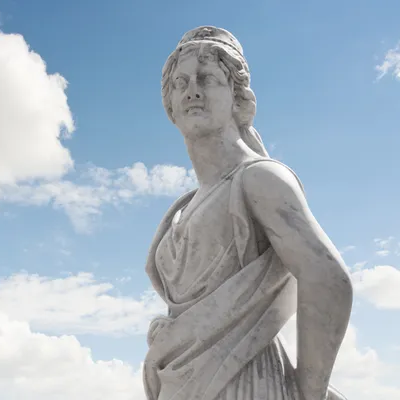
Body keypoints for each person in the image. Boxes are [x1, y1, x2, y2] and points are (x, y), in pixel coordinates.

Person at [142, 26, 353, 400]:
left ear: (239, 99)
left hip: (243, 382)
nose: (192, 90)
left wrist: (310, 392)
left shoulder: (259, 179)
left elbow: (328, 278)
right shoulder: (188, 205)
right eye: (181, 82)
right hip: (179, 383)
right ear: (170, 105)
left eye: (208, 79)